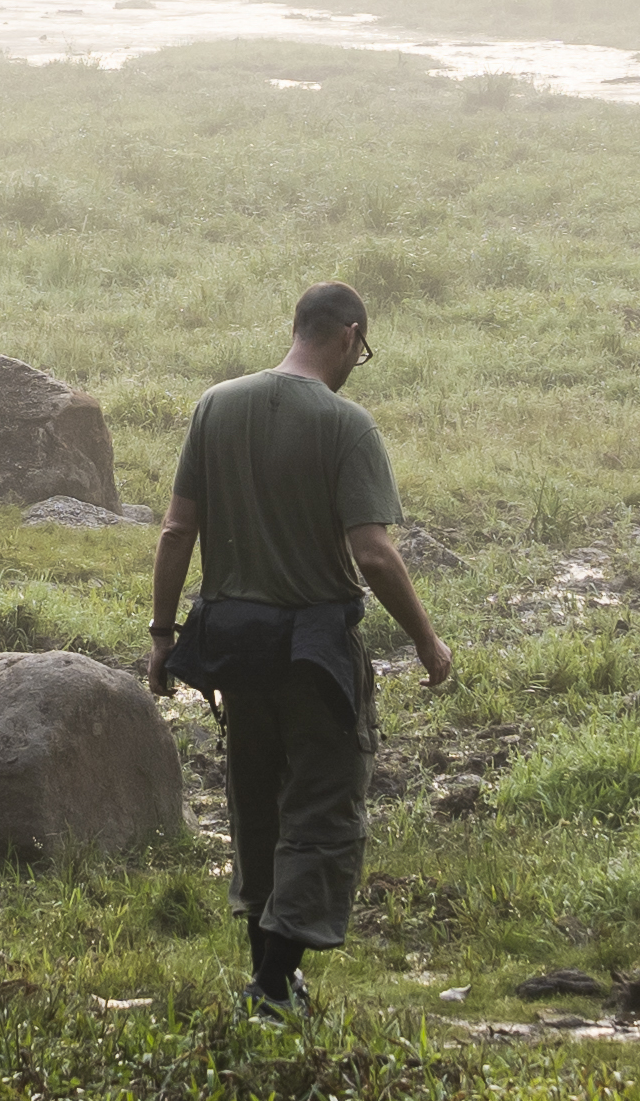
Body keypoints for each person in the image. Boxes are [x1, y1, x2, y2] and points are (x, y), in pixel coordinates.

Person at [150, 281, 456, 1017]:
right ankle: (271, 985)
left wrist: (162, 639)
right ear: (349, 336)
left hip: (233, 650)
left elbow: (174, 533)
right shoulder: (347, 426)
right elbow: (375, 556)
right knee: (322, 809)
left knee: (256, 806)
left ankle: (275, 980)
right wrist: (427, 642)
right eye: (363, 349)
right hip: (314, 654)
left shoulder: (216, 406)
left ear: (298, 328)